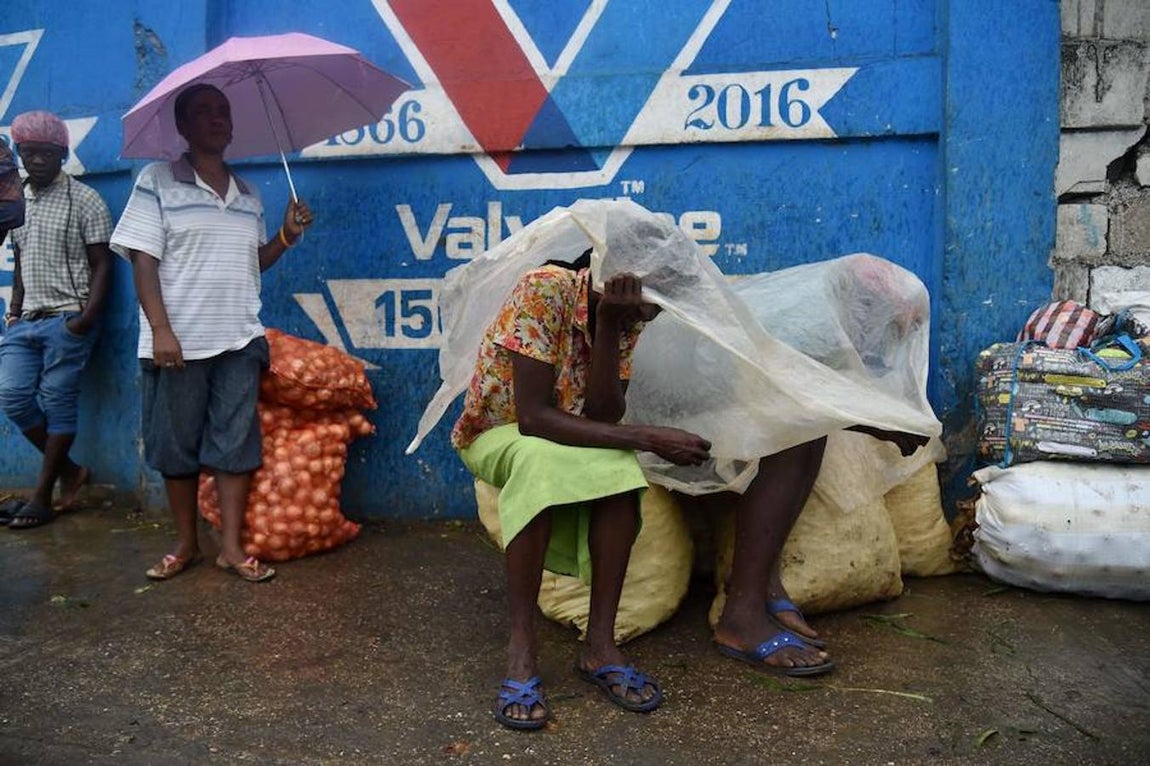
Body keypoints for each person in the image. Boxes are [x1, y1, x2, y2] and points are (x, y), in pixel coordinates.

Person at [453, 249, 712, 730]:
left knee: (619, 468)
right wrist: (648, 436)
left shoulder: (626, 316)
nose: (654, 314)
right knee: (540, 460)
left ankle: (600, 646)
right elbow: (532, 418)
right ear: (617, 276)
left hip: (565, 434)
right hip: (501, 431)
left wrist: (610, 325)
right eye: (653, 300)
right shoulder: (544, 288)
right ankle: (522, 650)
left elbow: (603, 414)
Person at [110, 83, 313, 582]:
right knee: (176, 447)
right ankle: (186, 544)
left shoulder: (249, 195)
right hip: (178, 343)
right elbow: (142, 258)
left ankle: (231, 549)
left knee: (234, 444)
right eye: (203, 112)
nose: (217, 119)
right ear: (183, 126)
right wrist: (161, 329)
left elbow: (252, 263)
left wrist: (286, 236)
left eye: (223, 111)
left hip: (238, 339)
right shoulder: (157, 181)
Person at [0, 111, 112, 530]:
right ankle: (71, 472)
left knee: (57, 400)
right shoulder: (16, 202)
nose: (37, 160)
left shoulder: (85, 199)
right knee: (12, 397)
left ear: (63, 155)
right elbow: (21, 263)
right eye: (28, 152)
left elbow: (103, 264)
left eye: (47, 153)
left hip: (68, 319)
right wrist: (13, 313)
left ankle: (42, 496)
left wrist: (84, 319)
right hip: (26, 321)